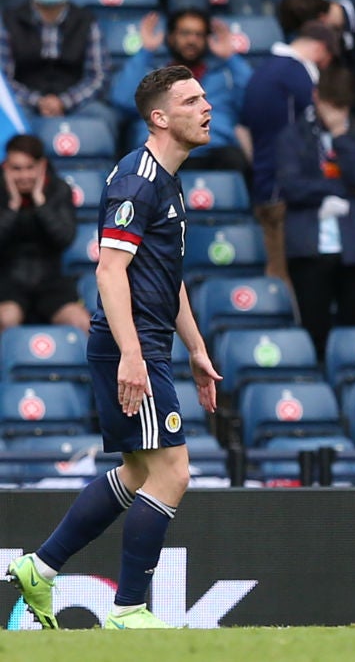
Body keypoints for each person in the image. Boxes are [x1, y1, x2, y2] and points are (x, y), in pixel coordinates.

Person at [6, 65, 222, 630]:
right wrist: (133, 354)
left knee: (135, 473)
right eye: (192, 100)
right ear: (160, 117)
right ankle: (128, 610)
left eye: (204, 97)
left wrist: (196, 347)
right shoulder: (136, 179)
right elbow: (109, 271)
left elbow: (166, 275)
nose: (207, 107)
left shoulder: (168, 180)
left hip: (145, 343)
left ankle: (42, 567)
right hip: (133, 346)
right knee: (172, 474)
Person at [274, 65, 355, 360]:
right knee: (312, 329)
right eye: (331, 104)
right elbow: (291, 186)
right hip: (309, 248)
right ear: (316, 97)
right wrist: (334, 189)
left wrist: (341, 135)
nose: (335, 112)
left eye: (342, 106)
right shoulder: (294, 136)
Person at [241, 20, 340, 286]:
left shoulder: (260, 71)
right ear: (321, 49)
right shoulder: (299, 75)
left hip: (265, 185)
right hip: (291, 196)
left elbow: (243, 129)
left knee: (278, 272)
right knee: (296, 280)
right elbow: (316, 135)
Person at [110, 9, 252, 178]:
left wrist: (230, 57)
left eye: (199, 35)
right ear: (170, 38)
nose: (192, 40)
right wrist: (145, 51)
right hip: (165, 153)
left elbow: (256, 99)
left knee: (236, 160)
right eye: (185, 33)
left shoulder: (224, 77)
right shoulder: (153, 79)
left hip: (215, 153)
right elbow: (121, 100)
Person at [0, 0, 119, 132]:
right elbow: (3, 79)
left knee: (104, 117)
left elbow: (99, 76)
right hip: (25, 103)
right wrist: (38, 101)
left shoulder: (87, 21)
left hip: (77, 102)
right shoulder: (9, 21)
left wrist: (64, 102)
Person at [0, 133, 91, 332]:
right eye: (16, 169)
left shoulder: (59, 190)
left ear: (41, 166)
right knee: (6, 319)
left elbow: (65, 238)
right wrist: (12, 207)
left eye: (30, 167)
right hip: (7, 282)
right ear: (6, 167)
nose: (24, 176)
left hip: (51, 283)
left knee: (82, 322)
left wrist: (41, 205)